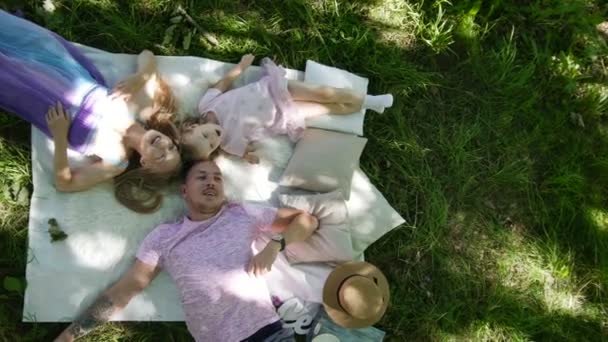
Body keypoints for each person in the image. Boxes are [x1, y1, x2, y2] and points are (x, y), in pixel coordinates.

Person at [54, 159, 320, 342]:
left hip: (266, 332)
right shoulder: (164, 238)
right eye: (201, 177)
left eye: (217, 178)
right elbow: (125, 290)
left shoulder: (242, 213)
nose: (211, 182)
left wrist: (275, 244)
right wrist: (71, 334)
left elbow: (307, 220)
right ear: (184, 191)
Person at [0, 10, 181, 212]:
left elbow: (64, 184)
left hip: (43, 97)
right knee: (20, 33)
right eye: (172, 147)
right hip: (65, 69)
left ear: (145, 163)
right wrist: (140, 78)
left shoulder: (116, 162)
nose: (164, 146)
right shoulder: (145, 110)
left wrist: (60, 137)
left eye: (161, 157)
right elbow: (147, 55)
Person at [179, 54, 394, 163]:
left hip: (274, 90)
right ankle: (367, 106)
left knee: (324, 93)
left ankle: (370, 100)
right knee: (325, 109)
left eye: (205, 135)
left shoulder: (206, 104)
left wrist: (242, 66)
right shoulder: (228, 145)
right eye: (210, 145)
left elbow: (224, 83)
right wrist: (249, 157)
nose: (214, 138)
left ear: (192, 126)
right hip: (284, 117)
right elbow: (246, 152)